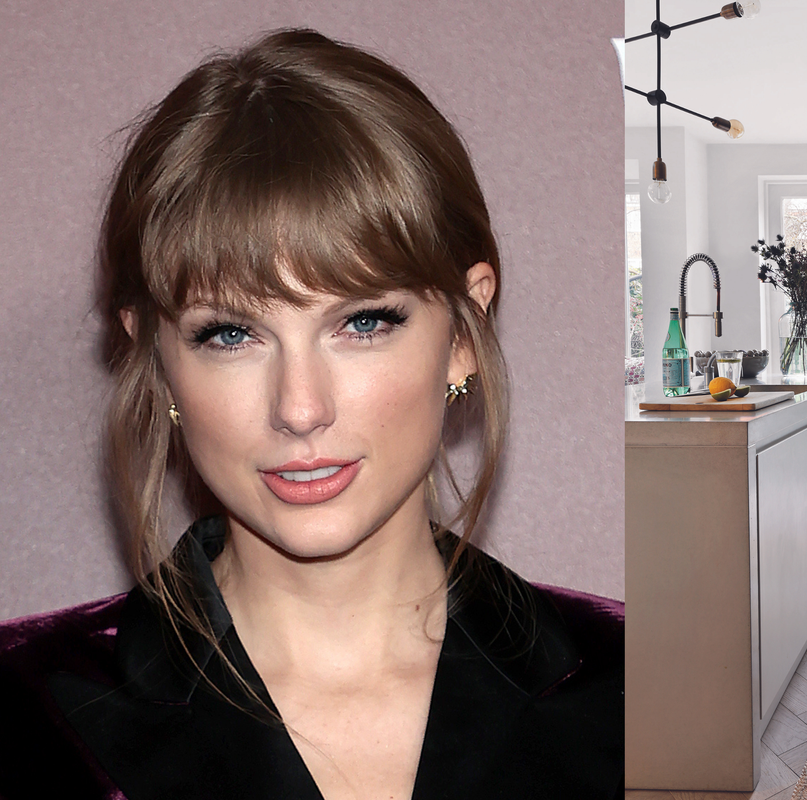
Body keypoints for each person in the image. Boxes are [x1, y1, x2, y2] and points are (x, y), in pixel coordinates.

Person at [0, 28, 622, 800]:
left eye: (363, 322)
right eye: (230, 334)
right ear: (155, 357)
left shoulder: (637, 686)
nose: (300, 408)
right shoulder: (21, 710)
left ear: (463, 333)